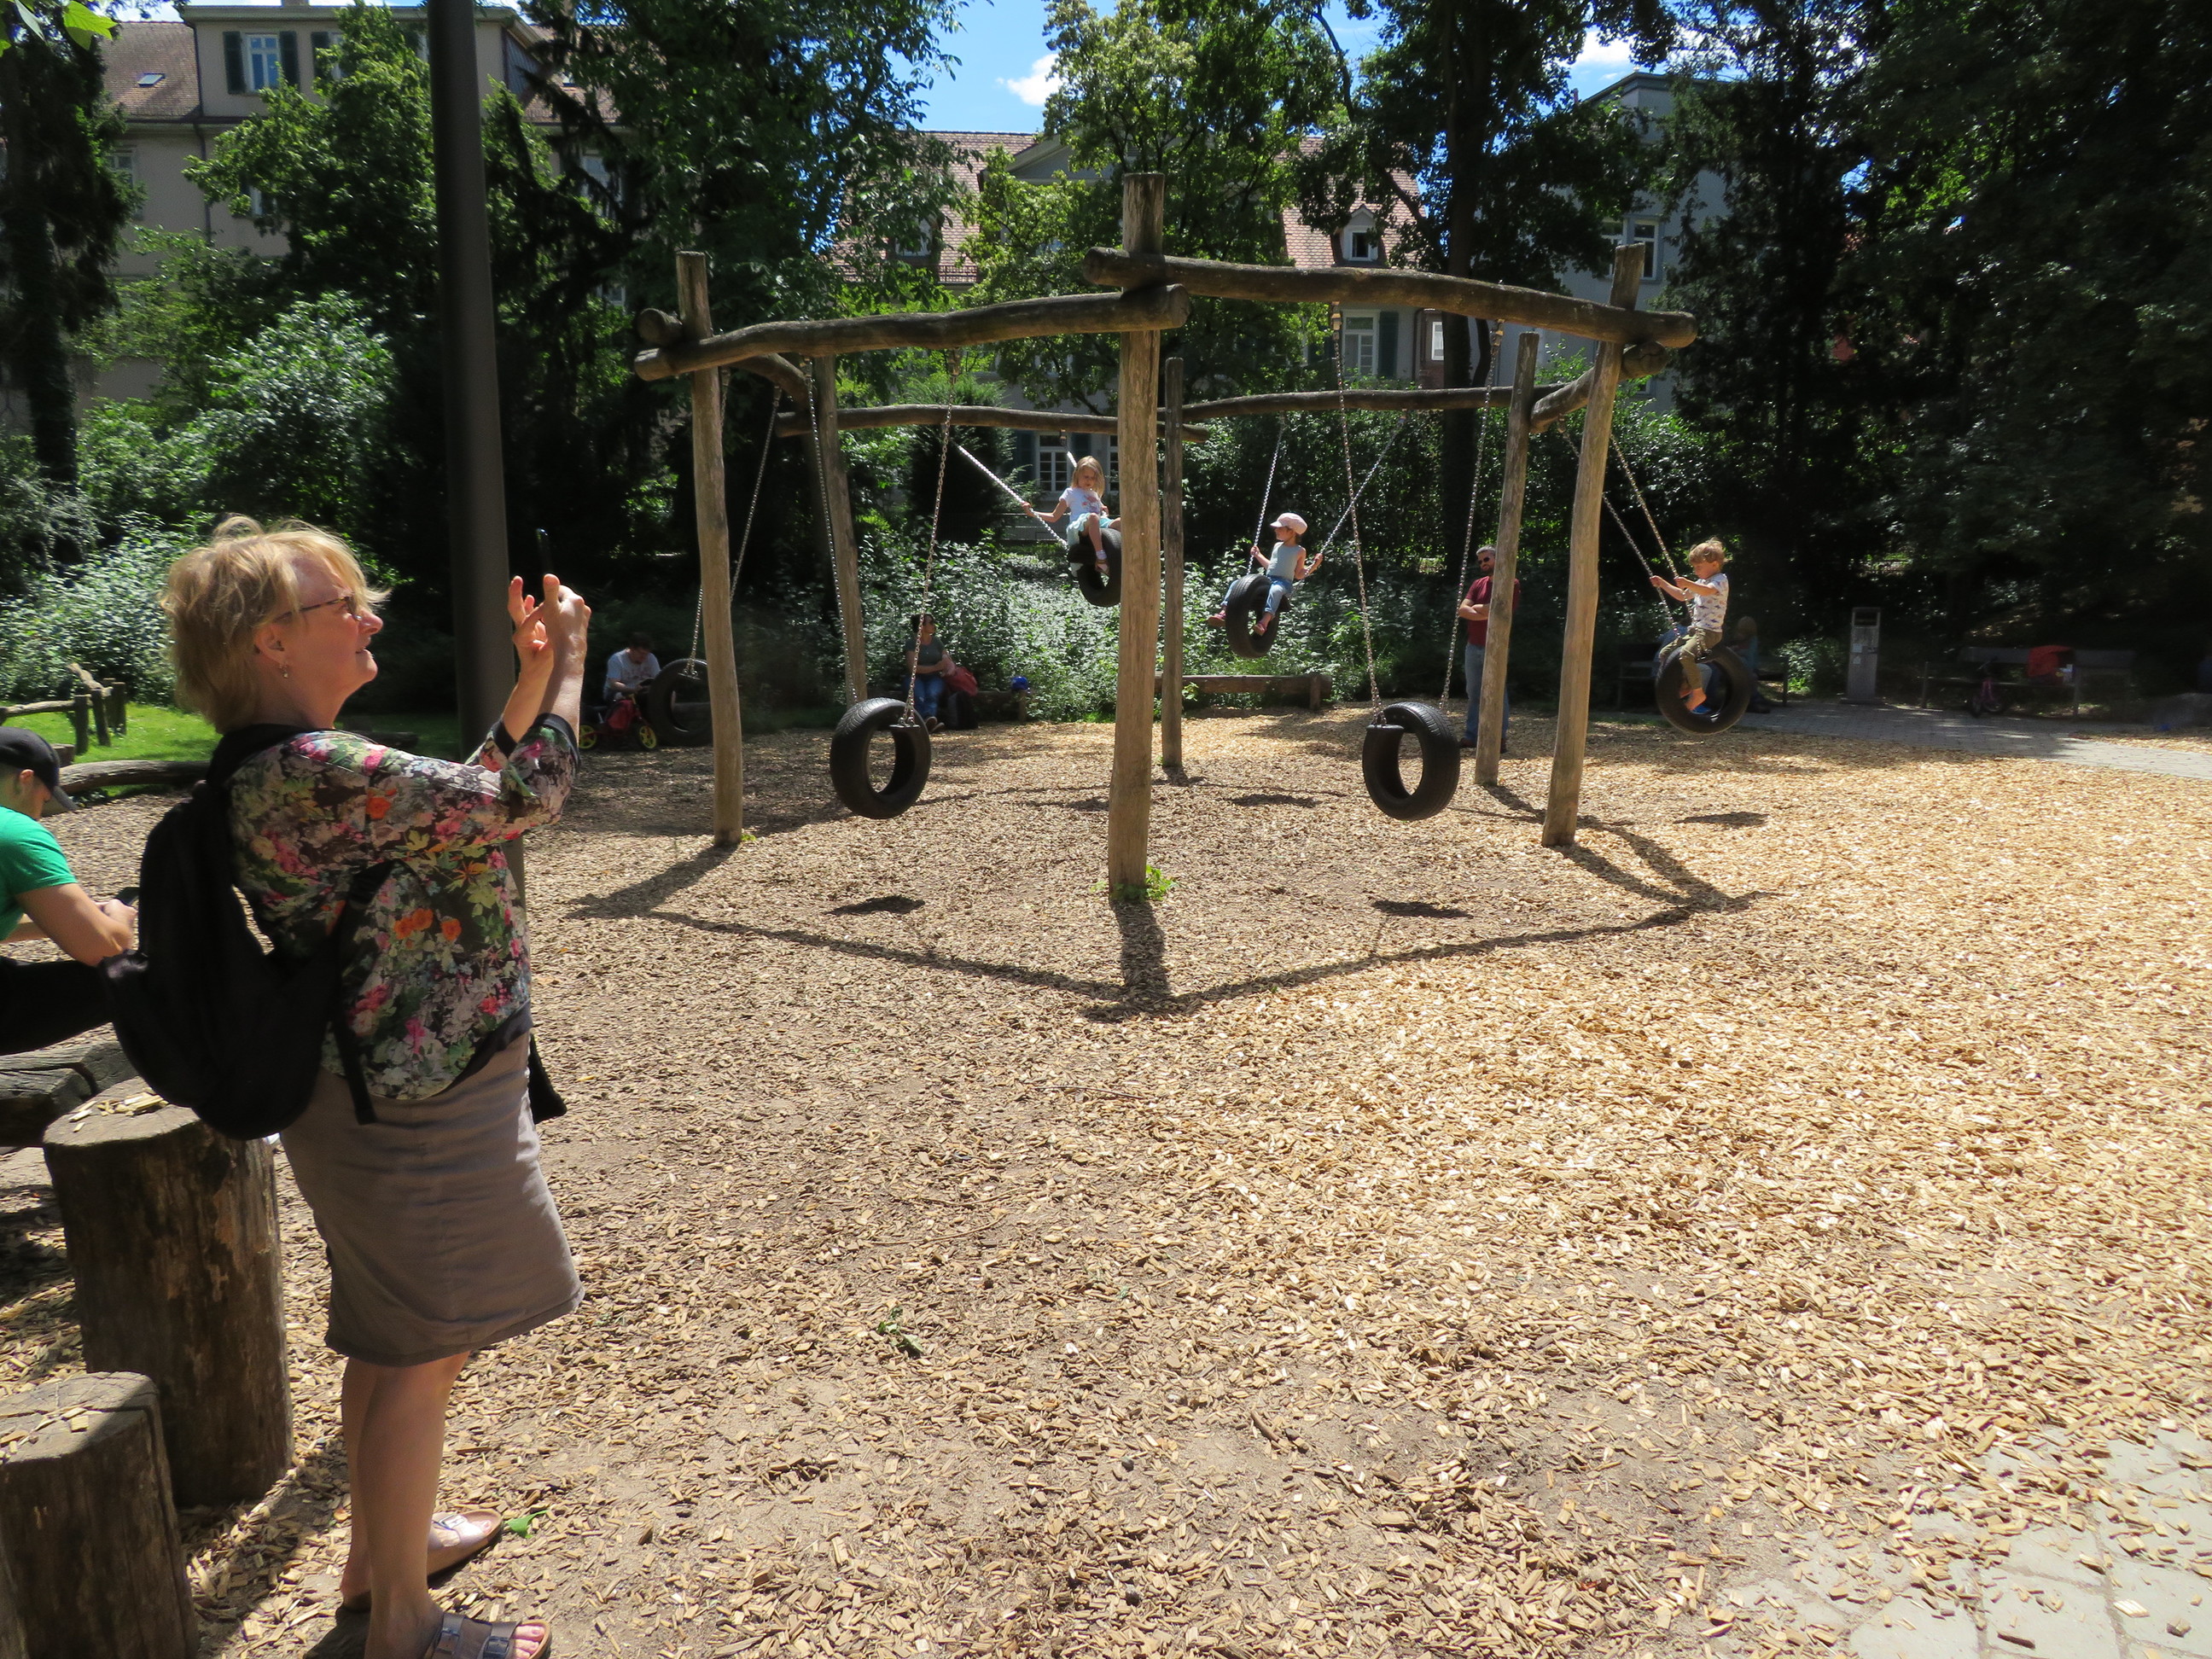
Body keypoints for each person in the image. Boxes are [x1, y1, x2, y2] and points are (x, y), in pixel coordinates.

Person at [161, 517, 586, 1659]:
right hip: (410, 1103)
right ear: (268, 643)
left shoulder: (298, 765)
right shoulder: (308, 770)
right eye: (339, 604)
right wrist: (572, 669)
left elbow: (462, 797)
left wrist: (528, 677)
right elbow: (525, 797)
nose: (369, 617)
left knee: (397, 1338)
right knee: (420, 1350)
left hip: (393, 1089)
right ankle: (402, 1623)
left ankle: (381, 1553)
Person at [0, 728, 135, 1055]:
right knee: (141, 977)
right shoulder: (14, 832)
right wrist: (118, 918)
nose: (39, 816)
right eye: (44, 800)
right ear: (24, 780)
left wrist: (62, 921)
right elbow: (104, 949)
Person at [1649, 538, 1731, 713]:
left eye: (1699, 567)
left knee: (1686, 654)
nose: (1695, 571)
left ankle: (1698, 693)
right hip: (1695, 631)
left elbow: (1708, 591)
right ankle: (1686, 684)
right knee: (1665, 653)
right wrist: (1662, 583)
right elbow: (1682, 596)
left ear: (1714, 564)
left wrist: (1688, 583)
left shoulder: (1720, 580)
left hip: (1710, 632)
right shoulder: (1700, 583)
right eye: (1694, 567)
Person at [1207, 512, 1318, 637]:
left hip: (1283, 583)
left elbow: (1299, 574)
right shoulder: (1277, 546)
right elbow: (1272, 567)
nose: (1276, 530)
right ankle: (1224, 612)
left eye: (1280, 528)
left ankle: (1264, 622)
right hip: (1268, 580)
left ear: (1292, 532)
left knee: (1276, 590)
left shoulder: (1299, 550)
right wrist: (1258, 555)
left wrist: (1315, 565)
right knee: (1236, 583)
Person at [1454, 544, 1521, 751]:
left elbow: (1503, 610)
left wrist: (1478, 609)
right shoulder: (1478, 584)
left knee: (1497, 691)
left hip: (1496, 645)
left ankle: (1499, 738)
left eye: (1487, 559)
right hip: (1473, 646)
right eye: (1480, 561)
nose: (1483, 563)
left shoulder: (1511, 583)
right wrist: (1486, 612)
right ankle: (1472, 736)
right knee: (1474, 693)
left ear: (1497, 559)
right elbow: (1462, 610)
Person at [1039, 456, 1116, 577]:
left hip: (1096, 522)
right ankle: (1101, 557)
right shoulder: (1070, 492)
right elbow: (1054, 516)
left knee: (1120, 522)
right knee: (1093, 517)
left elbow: (1098, 511)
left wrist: (1102, 508)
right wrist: (1033, 513)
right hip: (1079, 526)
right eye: (1086, 477)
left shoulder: (1094, 494)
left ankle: (1124, 555)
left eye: (1092, 478)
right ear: (1077, 475)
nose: (1089, 480)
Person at [905, 615, 951, 732]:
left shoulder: (937, 642)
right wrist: (935, 667)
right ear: (921, 626)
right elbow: (913, 668)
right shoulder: (912, 643)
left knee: (932, 693)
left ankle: (928, 720)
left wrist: (945, 668)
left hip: (934, 677)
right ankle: (924, 723)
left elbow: (947, 660)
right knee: (918, 695)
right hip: (916, 677)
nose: (934, 625)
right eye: (931, 622)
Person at [602, 632, 660, 706]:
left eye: (646, 654)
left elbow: (658, 679)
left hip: (642, 692)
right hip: (617, 692)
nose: (644, 657)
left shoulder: (651, 658)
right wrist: (633, 689)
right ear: (632, 649)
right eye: (641, 653)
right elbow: (614, 684)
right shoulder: (617, 659)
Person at [1732, 614, 1773, 713]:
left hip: (1750, 667)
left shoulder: (1753, 640)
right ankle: (1752, 701)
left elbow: (1750, 656)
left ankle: (1753, 701)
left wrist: (1737, 651)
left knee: (1751, 677)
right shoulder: (1736, 637)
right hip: (1738, 668)